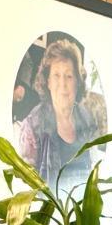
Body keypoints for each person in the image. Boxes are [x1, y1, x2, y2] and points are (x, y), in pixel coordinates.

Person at [17, 37, 98, 194]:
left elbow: (95, 172)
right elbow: (26, 190)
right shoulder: (33, 126)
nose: (63, 84)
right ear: (47, 81)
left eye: (69, 76)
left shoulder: (87, 119)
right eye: (56, 75)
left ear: (78, 82)